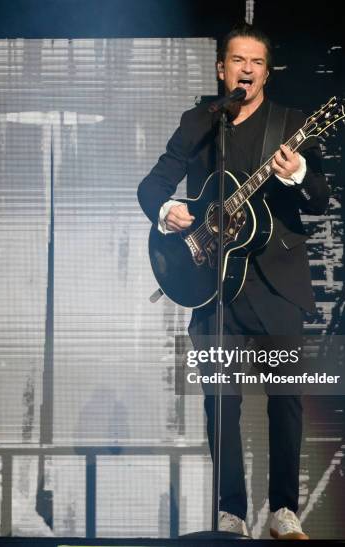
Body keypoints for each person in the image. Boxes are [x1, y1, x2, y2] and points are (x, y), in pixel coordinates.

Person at [138, 23, 330, 540]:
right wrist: (168, 209)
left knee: (286, 399)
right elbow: (154, 182)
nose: (246, 69)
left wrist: (295, 173)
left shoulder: (289, 125)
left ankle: (283, 511)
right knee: (219, 401)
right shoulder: (199, 122)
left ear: (267, 72)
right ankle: (230, 514)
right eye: (237, 60)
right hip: (212, 284)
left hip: (278, 285)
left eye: (257, 62)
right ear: (221, 68)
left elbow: (319, 198)